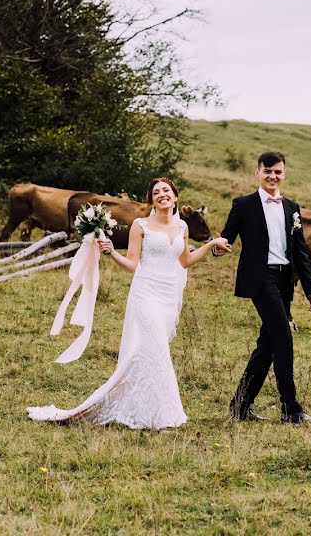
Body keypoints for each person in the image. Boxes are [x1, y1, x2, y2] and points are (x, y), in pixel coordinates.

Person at [27, 177, 231, 430]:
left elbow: (185, 261)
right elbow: (132, 265)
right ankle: (166, 419)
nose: (162, 194)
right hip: (145, 294)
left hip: (168, 297)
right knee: (158, 351)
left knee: (147, 355)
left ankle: (142, 408)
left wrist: (211, 243)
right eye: (156, 192)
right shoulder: (140, 225)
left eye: (166, 190)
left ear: (175, 197)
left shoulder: (182, 228)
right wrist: (112, 252)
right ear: (152, 200)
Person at [215, 151, 311, 423]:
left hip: (285, 280)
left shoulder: (292, 208)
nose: (273, 176)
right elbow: (227, 238)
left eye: (278, 172)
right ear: (257, 172)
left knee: (267, 343)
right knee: (283, 337)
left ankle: (240, 406)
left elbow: (300, 251)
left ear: (284, 174)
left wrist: (310, 288)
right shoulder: (244, 204)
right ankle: (291, 409)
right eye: (268, 171)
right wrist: (217, 249)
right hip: (260, 279)